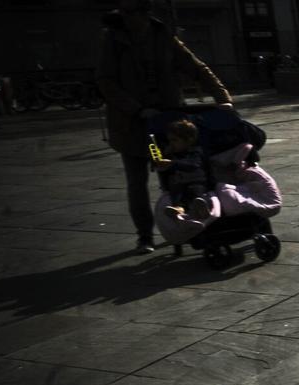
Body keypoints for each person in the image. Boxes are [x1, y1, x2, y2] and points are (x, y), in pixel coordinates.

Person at [96, 0, 232, 254]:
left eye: (138, 12)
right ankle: (145, 236)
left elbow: (196, 67)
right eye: (127, 13)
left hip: (166, 124)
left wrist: (222, 96)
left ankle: (179, 225)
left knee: (171, 174)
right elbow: (106, 82)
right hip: (133, 127)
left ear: (147, 13)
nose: (134, 19)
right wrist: (137, 109)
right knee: (137, 181)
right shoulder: (113, 40)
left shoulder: (163, 36)